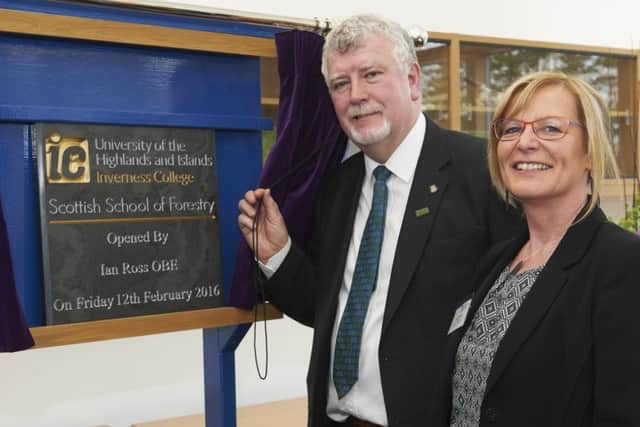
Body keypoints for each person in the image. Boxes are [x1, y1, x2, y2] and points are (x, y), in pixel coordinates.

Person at [238, 15, 518, 427]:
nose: (356, 95)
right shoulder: (337, 187)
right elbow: (327, 309)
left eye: (371, 74)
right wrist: (277, 254)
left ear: (412, 80)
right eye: (340, 84)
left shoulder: (484, 173)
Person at [432, 71, 640, 426]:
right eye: (511, 129)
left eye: (550, 128)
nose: (524, 141)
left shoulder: (622, 264)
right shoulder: (498, 261)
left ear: (589, 152)